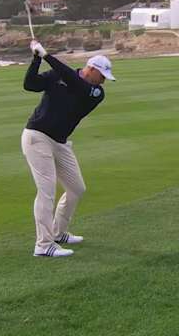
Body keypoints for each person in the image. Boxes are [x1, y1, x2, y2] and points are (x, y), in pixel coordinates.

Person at [20, 40, 116, 257]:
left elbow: (75, 83)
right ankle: (43, 245)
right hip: (37, 136)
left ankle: (58, 232)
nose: (103, 82)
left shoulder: (95, 93)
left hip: (60, 142)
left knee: (76, 188)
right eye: (101, 76)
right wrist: (36, 59)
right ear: (90, 70)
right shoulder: (58, 75)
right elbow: (30, 84)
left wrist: (47, 56)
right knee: (46, 191)